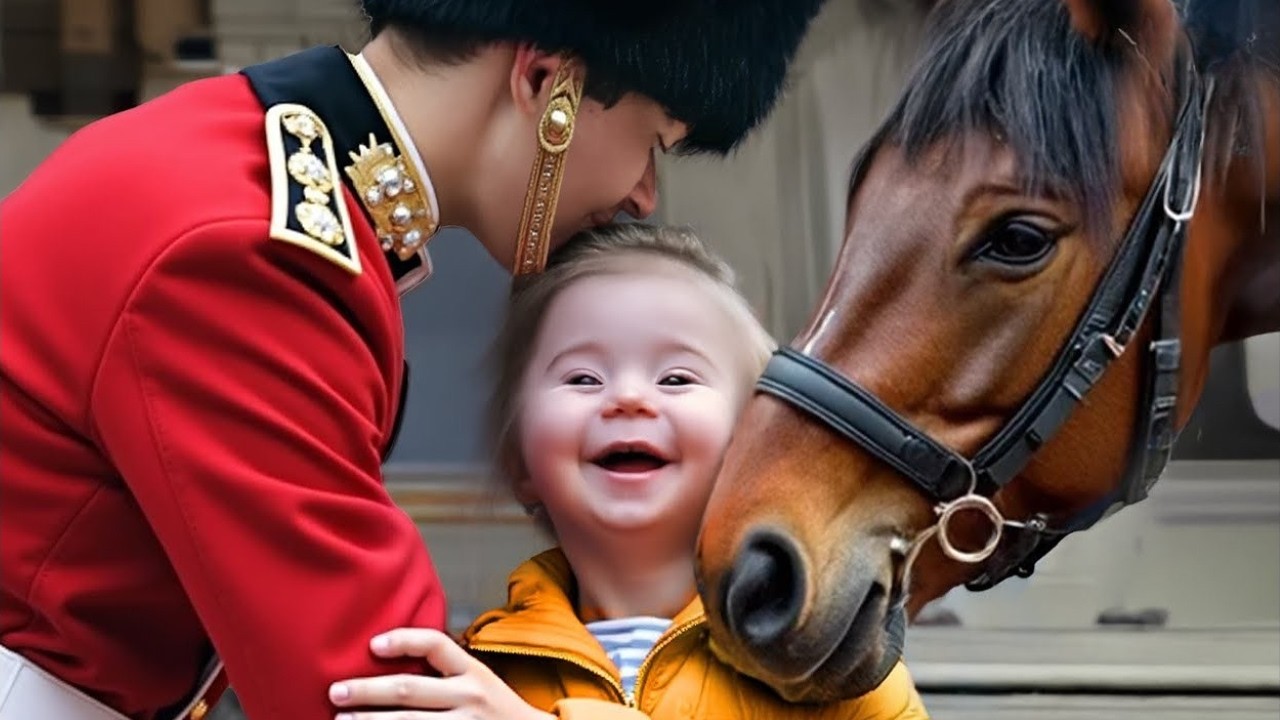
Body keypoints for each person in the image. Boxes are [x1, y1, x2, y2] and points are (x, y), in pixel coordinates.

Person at [0, 1, 828, 718]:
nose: (645, 193)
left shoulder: (247, 175)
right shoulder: (252, 249)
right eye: (655, 141)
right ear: (549, 82)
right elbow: (372, 696)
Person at [326, 223, 929, 719]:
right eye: (583, 377)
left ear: (754, 448)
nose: (629, 398)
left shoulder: (829, 670)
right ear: (521, 464)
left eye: (677, 377)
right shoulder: (474, 677)